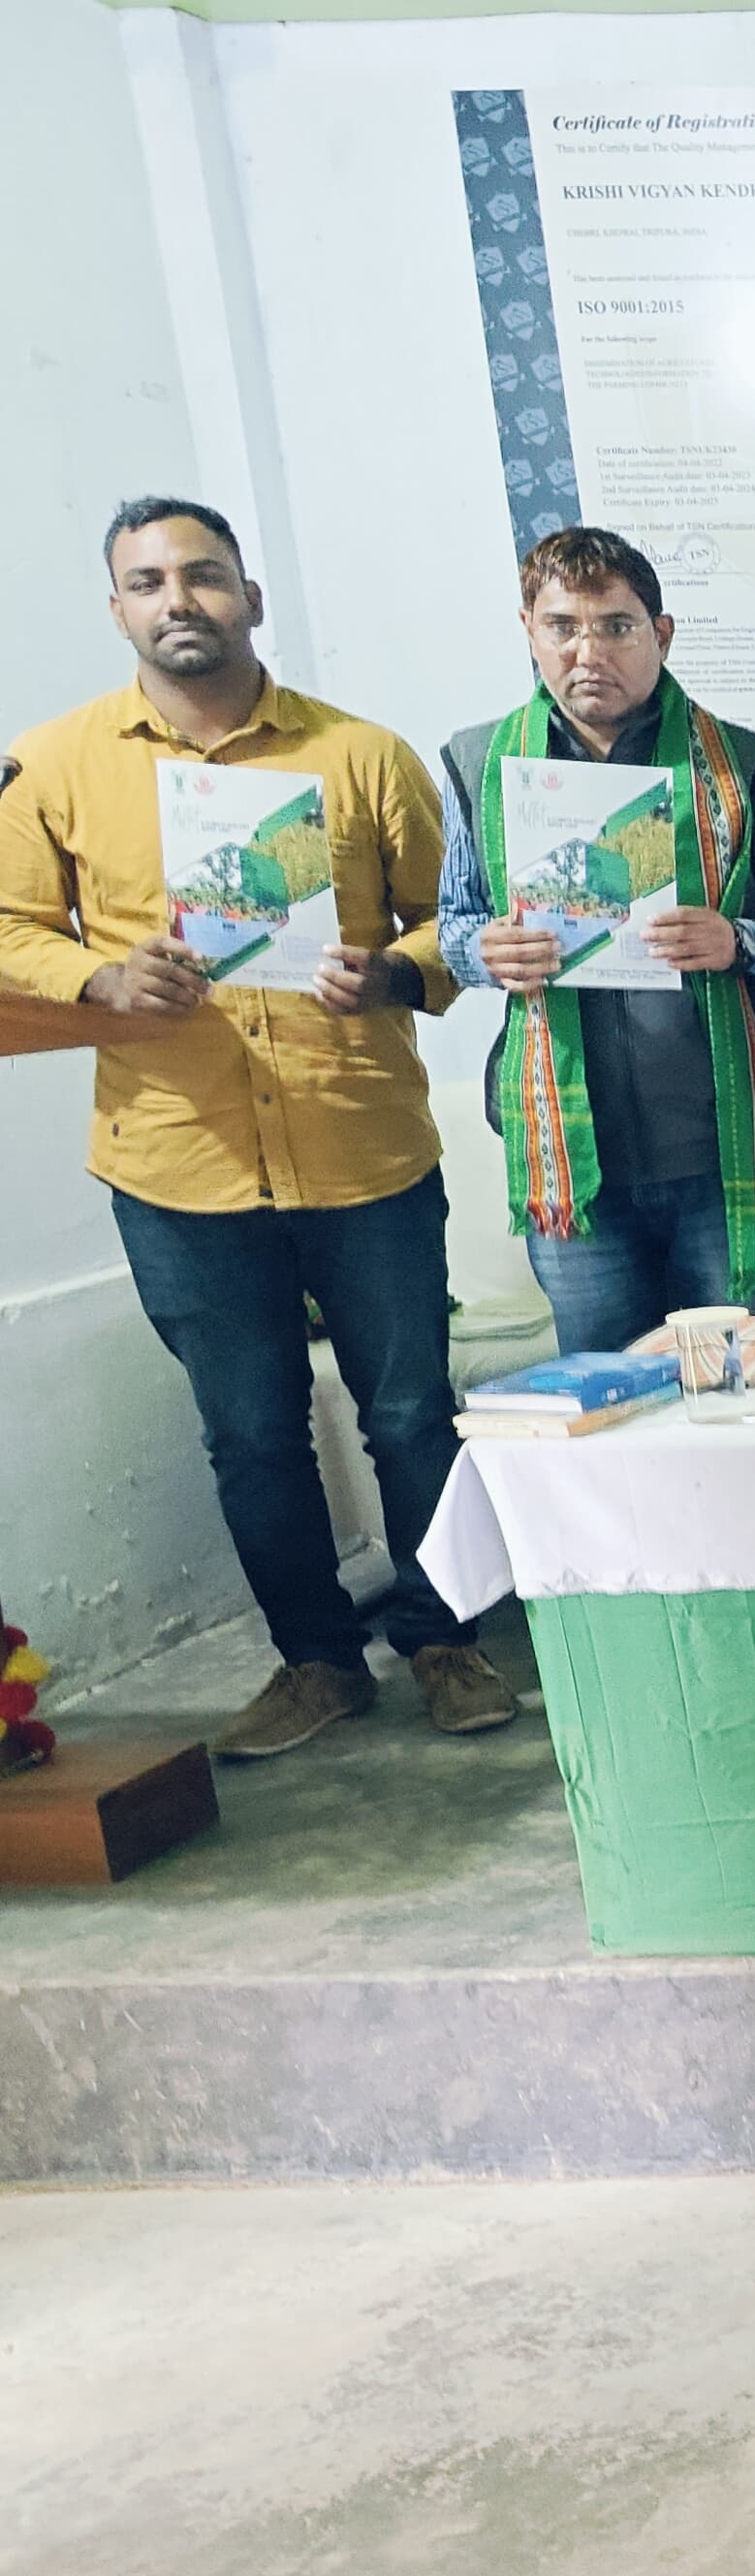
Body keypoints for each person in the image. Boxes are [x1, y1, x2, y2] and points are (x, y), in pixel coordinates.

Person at [0, 497, 513, 1758]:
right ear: (117, 609)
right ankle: (316, 1662)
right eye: (148, 582)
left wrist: (389, 973)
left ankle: (445, 1639)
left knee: (410, 1416)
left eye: (204, 575)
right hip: (179, 1162)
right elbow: (9, 926)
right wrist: (97, 978)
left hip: (361, 1149)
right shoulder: (54, 765)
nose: (179, 599)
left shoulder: (362, 756)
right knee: (251, 1437)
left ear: (251, 597)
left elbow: (451, 922)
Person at [433, 524, 755, 1355]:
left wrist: (741, 941)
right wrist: (482, 952)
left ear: (660, 634)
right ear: (529, 631)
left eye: (616, 626)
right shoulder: (479, 765)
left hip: (724, 1154)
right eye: (562, 627)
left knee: (747, 1388)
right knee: (608, 1402)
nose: (588, 652)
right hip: (574, 1164)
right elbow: (451, 925)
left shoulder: (745, 766)